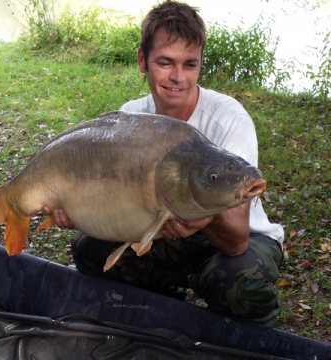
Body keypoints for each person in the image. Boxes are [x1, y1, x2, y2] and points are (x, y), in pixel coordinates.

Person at [45, 0, 284, 326]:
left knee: (239, 286)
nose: (177, 77)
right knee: (89, 249)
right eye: (165, 62)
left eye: (190, 64)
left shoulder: (229, 119)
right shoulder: (132, 117)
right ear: (143, 60)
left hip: (238, 239)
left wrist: (199, 218)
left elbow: (237, 238)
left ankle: (257, 342)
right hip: (161, 227)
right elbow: (115, 201)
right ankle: (161, 311)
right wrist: (76, 209)